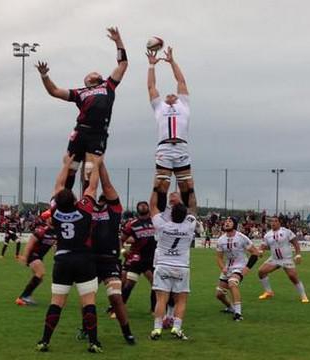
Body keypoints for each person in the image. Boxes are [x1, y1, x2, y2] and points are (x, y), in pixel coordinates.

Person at [36, 27, 128, 191]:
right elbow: (54, 91)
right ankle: (65, 198)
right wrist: (44, 76)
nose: (94, 72)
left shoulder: (108, 85)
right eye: (91, 73)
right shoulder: (80, 93)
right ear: (86, 80)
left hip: (98, 133)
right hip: (81, 130)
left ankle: (87, 201)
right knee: (71, 166)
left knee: (90, 170)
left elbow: (123, 64)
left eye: (96, 72)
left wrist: (118, 41)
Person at [36, 155, 103, 353]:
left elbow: (58, 185)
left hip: (62, 260)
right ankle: (93, 342)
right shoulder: (83, 210)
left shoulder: (55, 212)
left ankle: (44, 341)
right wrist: (96, 165)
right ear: (75, 199)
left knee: (56, 303)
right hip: (84, 259)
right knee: (88, 302)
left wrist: (67, 165)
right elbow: (92, 187)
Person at [80, 162, 134, 344]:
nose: (102, 200)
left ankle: (127, 332)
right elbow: (88, 187)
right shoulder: (86, 210)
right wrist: (88, 166)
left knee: (116, 298)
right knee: (88, 298)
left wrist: (99, 164)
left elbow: (107, 185)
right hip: (89, 260)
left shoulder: (114, 210)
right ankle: (86, 329)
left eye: (105, 199)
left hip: (110, 261)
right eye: (100, 199)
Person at [146, 46, 196, 214]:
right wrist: (152, 66)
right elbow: (151, 86)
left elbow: (181, 81)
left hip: (181, 147)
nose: (170, 95)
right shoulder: (159, 106)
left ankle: (190, 219)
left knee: (187, 186)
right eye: (167, 95)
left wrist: (172, 62)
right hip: (165, 148)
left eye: (173, 94)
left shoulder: (184, 103)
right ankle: (157, 218)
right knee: (161, 185)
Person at [149, 188, 196, 341]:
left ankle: (157, 329)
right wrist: (190, 190)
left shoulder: (163, 224)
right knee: (180, 300)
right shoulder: (189, 225)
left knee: (161, 299)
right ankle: (177, 327)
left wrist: (156, 189)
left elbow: (153, 206)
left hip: (163, 265)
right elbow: (193, 207)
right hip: (181, 267)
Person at [215, 217, 259, 321]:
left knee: (232, 283)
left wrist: (247, 269)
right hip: (228, 268)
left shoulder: (241, 237)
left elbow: (255, 253)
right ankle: (231, 308)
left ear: (234, 224)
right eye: (225, 221)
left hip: (240, 266)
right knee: (219, 294)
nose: (226, 223)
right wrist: (223, 268)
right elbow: (219, 258)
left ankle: (238, 313)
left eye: (229, 221)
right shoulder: (221, 240)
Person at [257, 216, 309, 303]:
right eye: (272, 222)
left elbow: (295, 242)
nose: (273, 223)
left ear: (279, 223)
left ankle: (303, 296)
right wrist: (261, 250)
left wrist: (298, 254)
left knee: (293, 277)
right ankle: (268, 292)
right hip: (274, 259)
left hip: (286, 259)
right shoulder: (267, 235)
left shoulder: (286, 231)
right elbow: (263, 245)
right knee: (261, 272)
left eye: (275, 221)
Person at [120, 201, 157, 313]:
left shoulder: (155, 222)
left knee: (155, 284)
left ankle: (154, 309)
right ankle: (117, 309)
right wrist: (122, 250)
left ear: (149, 208)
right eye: (140, 205)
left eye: (145, 205)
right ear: (137, 209)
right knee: (129, 284)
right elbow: (121, 239)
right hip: (137, 258)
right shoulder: (132, 224)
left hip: (152, 258)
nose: (143, 206)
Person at [15, 211, 56, 306]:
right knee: (40, 272)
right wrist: (25, 257)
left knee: (39, 278)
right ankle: (23, 297)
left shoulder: (56, 231)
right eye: (52, 217)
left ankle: (26, 296)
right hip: (32, 255)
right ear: (48, 219)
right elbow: (30, 243)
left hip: (39, 256)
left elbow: (55, 245)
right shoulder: (42, 230)